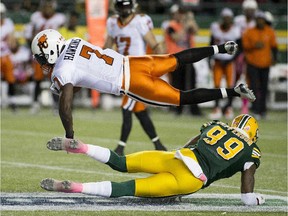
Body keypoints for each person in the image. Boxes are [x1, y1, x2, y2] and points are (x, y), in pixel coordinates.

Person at [31, 29, 255, 140]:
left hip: (131, 82)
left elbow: (66, 105)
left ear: (49, 51)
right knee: (177, 59)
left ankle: (233, 92)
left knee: (181, 98)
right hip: (136, 63)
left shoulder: (62, 69)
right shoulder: (73, 41)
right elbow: (83, 72)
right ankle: (221, 48)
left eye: (41, 57)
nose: (42, 62)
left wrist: (69, 133)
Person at [40, 114, 265, 206]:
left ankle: (83, 147)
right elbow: (246, 197)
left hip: (179, 158)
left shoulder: (218, 125)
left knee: (121, 162)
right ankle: (76, 187)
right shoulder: (252, 151)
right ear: (253, 134)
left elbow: (193, 141)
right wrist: (258, 200)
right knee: (127, 188)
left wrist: (178, 155)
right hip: (192, 179)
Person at [103, 0, 167, 155]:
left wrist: (162, 64)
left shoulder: (139, 21)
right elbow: (107, 47)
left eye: (126, 5)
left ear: (132, 6)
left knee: (126, 108)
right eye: (121, 6)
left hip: (138, 70)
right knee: (140, 112)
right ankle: (158, 145)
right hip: (123, 70)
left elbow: (154, 44)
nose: (124, 9)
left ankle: (120, 147)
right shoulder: (112, 22)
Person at [24, 0, 66, 114]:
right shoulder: (36, 17)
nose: (47, 8)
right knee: (37, 79)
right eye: (45, 6)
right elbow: (30, 35)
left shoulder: (60, 18)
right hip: (40, 53)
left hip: (54, 53)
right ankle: (35, 103)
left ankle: (56, 104)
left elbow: (63, 35)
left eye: (49, 6)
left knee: (54, 79)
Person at [164, 4, 202, 116]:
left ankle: (194, 109)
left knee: (192, 84)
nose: (181, 15)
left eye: (182, 13)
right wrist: (185, 25)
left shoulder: (187, 24)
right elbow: (176, 37)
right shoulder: (171, 25)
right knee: (177, 85)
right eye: (179, 13)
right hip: (176, 58)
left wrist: (191, 20)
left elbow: (196, 31)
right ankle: (177, 109)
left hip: (189, 58)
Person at [242, 11, 278, 120]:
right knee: (253, 87)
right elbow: (244, 45)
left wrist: (275, 58)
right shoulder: (249, 31)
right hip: (252, 63)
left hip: (265, 64)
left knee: (264, 87)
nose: (260, 21)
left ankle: (263, 110)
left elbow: (274, 46)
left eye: (261, 19)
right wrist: (254, 45)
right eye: (258, 19)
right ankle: (255, 109)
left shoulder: (270, 31)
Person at [209, 8, 241, 120]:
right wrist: (210, 59)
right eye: (225, 18)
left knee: (230, 86)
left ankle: (228, 108)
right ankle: (216, 107)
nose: (226, 20)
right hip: (217, 60)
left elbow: (240, 48)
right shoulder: (215, 28)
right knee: (216, 85)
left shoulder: (236, 30)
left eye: (228, 18)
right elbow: (211, 44)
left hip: (229, 62)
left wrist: (232, 59)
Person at [234, 0, 258, 114]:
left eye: (252, 9)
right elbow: (235, 36)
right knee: (234, 78)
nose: (250, 12)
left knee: (247, 80)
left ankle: (245, 105)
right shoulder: (238, 20)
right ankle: (229, 104)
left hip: (251, 53)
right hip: (238, 52)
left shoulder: (256, 22)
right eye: (248, 9)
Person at [0, 2, 17, 112]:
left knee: (10, 79)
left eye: (2, 14)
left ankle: (12, 102)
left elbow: (12, 41)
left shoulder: (8, 23)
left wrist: (12, 43)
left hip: (6, 54)